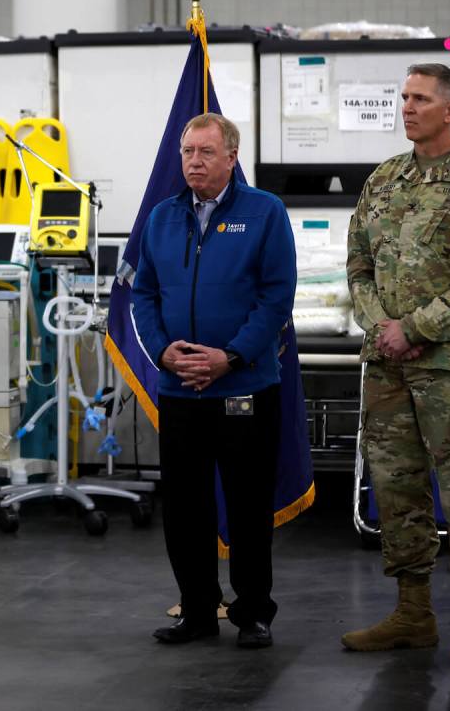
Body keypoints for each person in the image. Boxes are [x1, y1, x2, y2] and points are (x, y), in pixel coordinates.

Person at [342, 63, 450, 667]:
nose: (407, 107)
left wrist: (413, 329)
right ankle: (413, 614)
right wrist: (381, 329)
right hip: (388, 367)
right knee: (398, 491)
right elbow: (358, 267)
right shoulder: (383, 180)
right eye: (403, 97)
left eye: (420, 99)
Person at [131, 112, 296, 650]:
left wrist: (230, 356)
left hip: (242, 387)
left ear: (231, 157)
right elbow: (144, 295)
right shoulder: (161, 217)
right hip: (180, 389)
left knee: (247, 506)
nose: (193, 162)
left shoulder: (265, 212)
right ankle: (198, 610)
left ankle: (253, 613)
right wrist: (162, 351)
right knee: (184, 507)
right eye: (187, 152)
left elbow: (276, 297)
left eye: (205, 152)